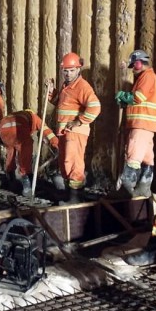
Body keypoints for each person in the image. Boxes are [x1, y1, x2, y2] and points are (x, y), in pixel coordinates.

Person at [46, 53, 101, 202]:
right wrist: (51, 91)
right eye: (65, 70)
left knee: (73, 163)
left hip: (75, 132)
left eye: (71, 70)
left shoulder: (82, 86)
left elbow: (95, 107)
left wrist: (79, 121)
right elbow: (60, 102)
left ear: (78, 69)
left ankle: (75, 197)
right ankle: (68, 193)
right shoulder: (67, 86)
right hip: (64, 131)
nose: (68, 73)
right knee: (65, 162)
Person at [115, 50, 156, 198]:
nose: (133, 70)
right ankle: (144, 187)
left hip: (141, 124)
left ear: (139, 63)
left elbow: (138, 97)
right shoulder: (146, 77)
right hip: (146, 125)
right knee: (147, 158)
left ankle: (126, 188)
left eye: (134, 66)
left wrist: (124, 96)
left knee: (133, 156)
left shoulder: (148, 77)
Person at [0, 109, 59, 197]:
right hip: (19, 129)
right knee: (25, 155)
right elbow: (47, 131)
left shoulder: (18, 115)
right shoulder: (34, 117)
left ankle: (11, 178)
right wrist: (56, 144)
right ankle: (27, 187)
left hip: (4, 128)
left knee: (10, 153)